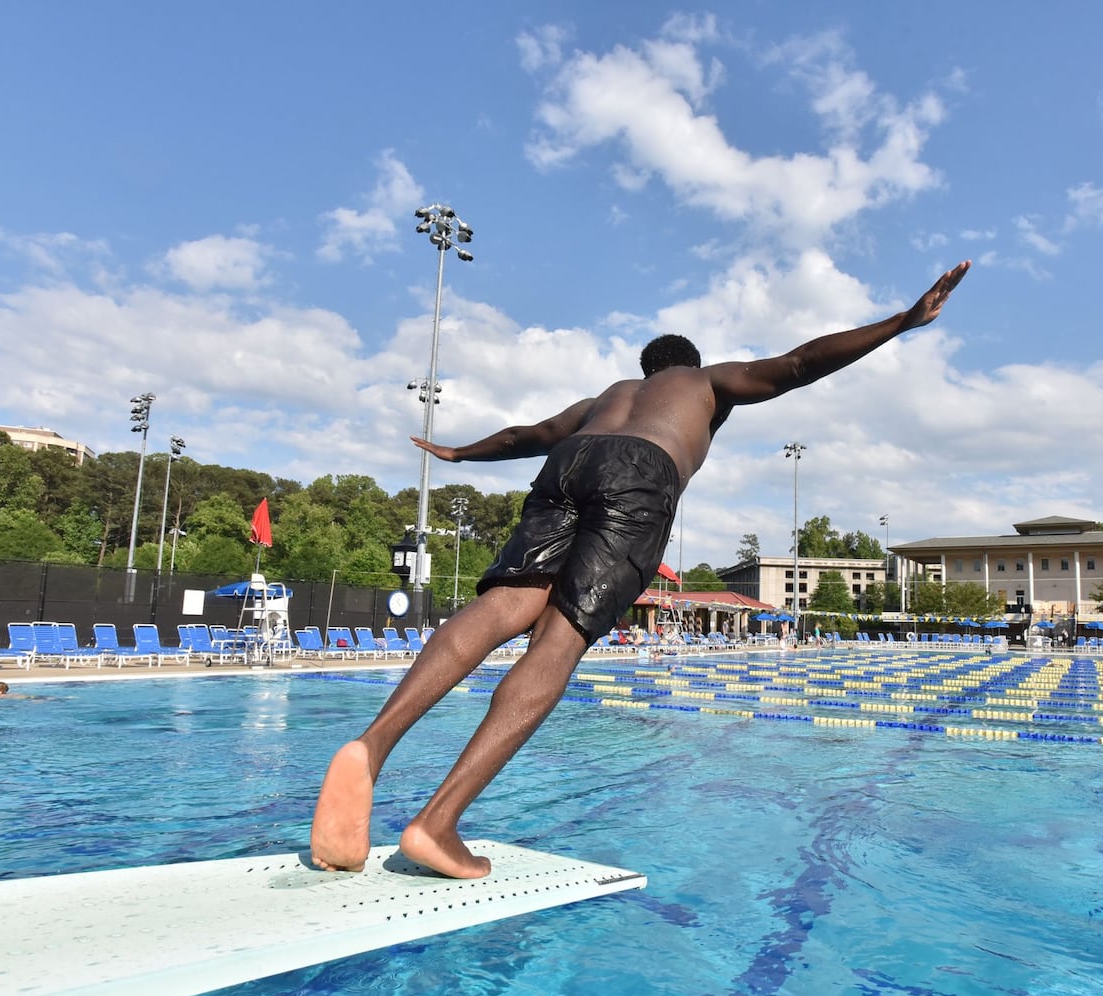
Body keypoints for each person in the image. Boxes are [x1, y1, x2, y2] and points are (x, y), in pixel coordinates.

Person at [310, 260, 971, 878]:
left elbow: (524, 437)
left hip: (569, 459)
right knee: (559, 639)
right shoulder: (706, 383)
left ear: (644, 369)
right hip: (640, 474)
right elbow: (796, 364)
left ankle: (371, 745)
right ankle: (437, 821)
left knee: (507, 605)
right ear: (689, 367)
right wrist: (899, 323)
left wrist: (458, 453)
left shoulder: (610, 394)